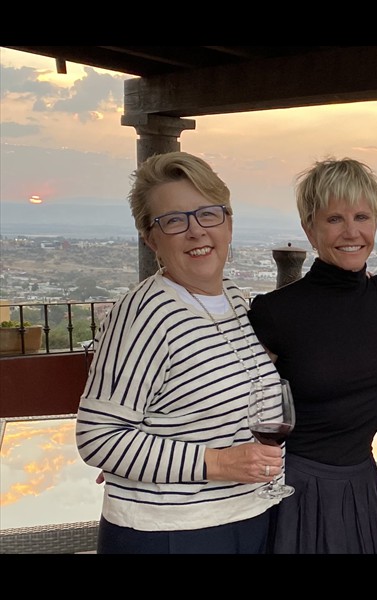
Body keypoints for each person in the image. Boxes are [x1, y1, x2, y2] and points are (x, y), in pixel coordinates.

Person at [75, 151, 283, 554]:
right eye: (174, 220)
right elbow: (98, 436)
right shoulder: (144, 314)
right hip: (171, 533)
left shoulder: (237, 303)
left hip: (246, 517)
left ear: (229, 223)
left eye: (209, 214)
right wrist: (219, 463)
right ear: (150, 238)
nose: (196, 231)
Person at [247, 157, 377, 553]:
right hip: (296, 490)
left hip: (362, 484)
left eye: (362, 216)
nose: (351, 231)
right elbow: (231, 397)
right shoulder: (275, 312)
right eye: (334, 219)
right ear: (309, 228)